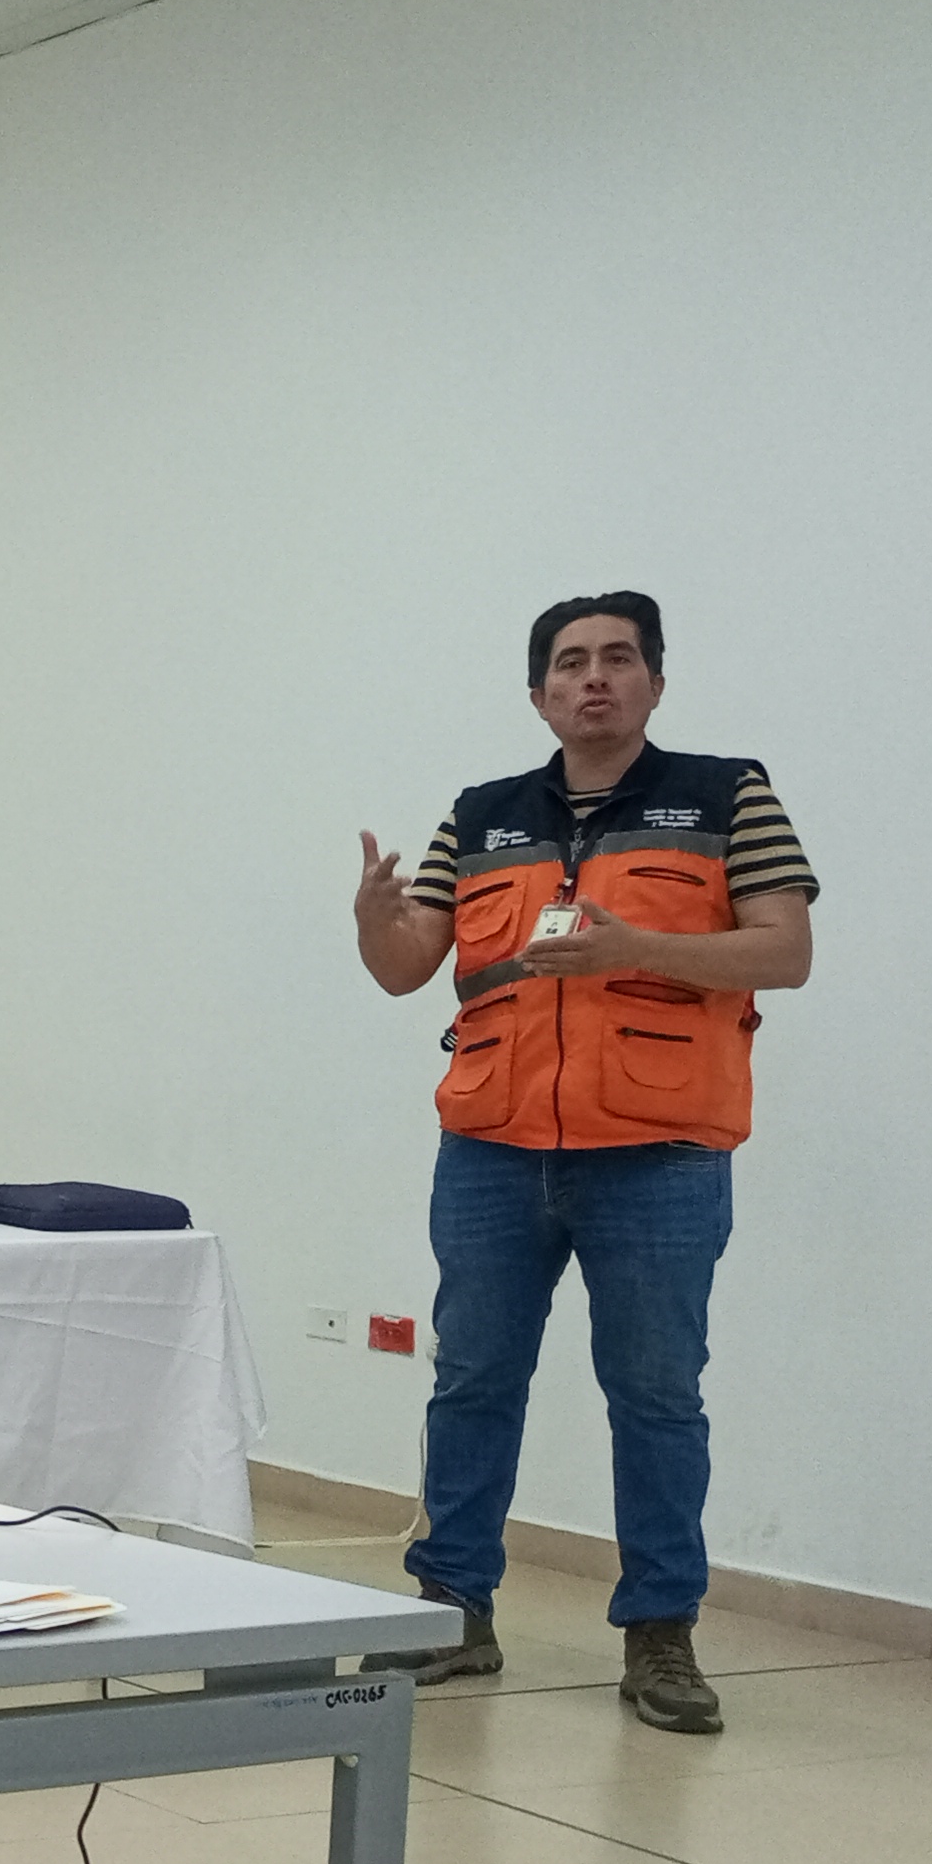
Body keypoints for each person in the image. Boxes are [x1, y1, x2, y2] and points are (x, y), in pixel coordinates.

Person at [351, 593, 815, 1736]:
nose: (591, 678)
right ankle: (450, 1608)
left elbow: (783, 950)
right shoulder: (480, 815)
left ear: (653, 681)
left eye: (616, 658)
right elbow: (405, 967)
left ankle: (658, 1634)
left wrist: (631, 945)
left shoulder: (725, 795)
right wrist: (371, 917)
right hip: (489, 1147)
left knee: (654, 1397)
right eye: (568, 663)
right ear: (537, 694)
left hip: (657, 1154)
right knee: (470, 1380)